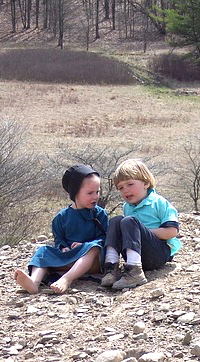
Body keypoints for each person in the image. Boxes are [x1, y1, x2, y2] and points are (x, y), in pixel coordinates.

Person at [15, 164, 108, 294]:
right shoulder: (61, 217)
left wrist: (84, 245)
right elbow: (59, 239)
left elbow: (105, 238)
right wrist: (63, 247)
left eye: (97, 192)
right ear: (75, 193)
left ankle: (66, 279)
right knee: (43, 250)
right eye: (90, 193)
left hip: (92, 261)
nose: (95, 197)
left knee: (93, 247)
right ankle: (34, 282)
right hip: (68, 258)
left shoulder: (100, 214)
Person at [101, 159, 181, 290]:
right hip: (136, 252)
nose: (125, 190)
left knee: (128, 221)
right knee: (116, 220)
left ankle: (135, 272)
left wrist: (142, 231)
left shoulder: (159, 203)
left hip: (157, 253)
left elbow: (172, 231)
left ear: (146, 183)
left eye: (130, 184)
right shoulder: (127, 207)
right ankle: (111, 267)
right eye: (121, 188)